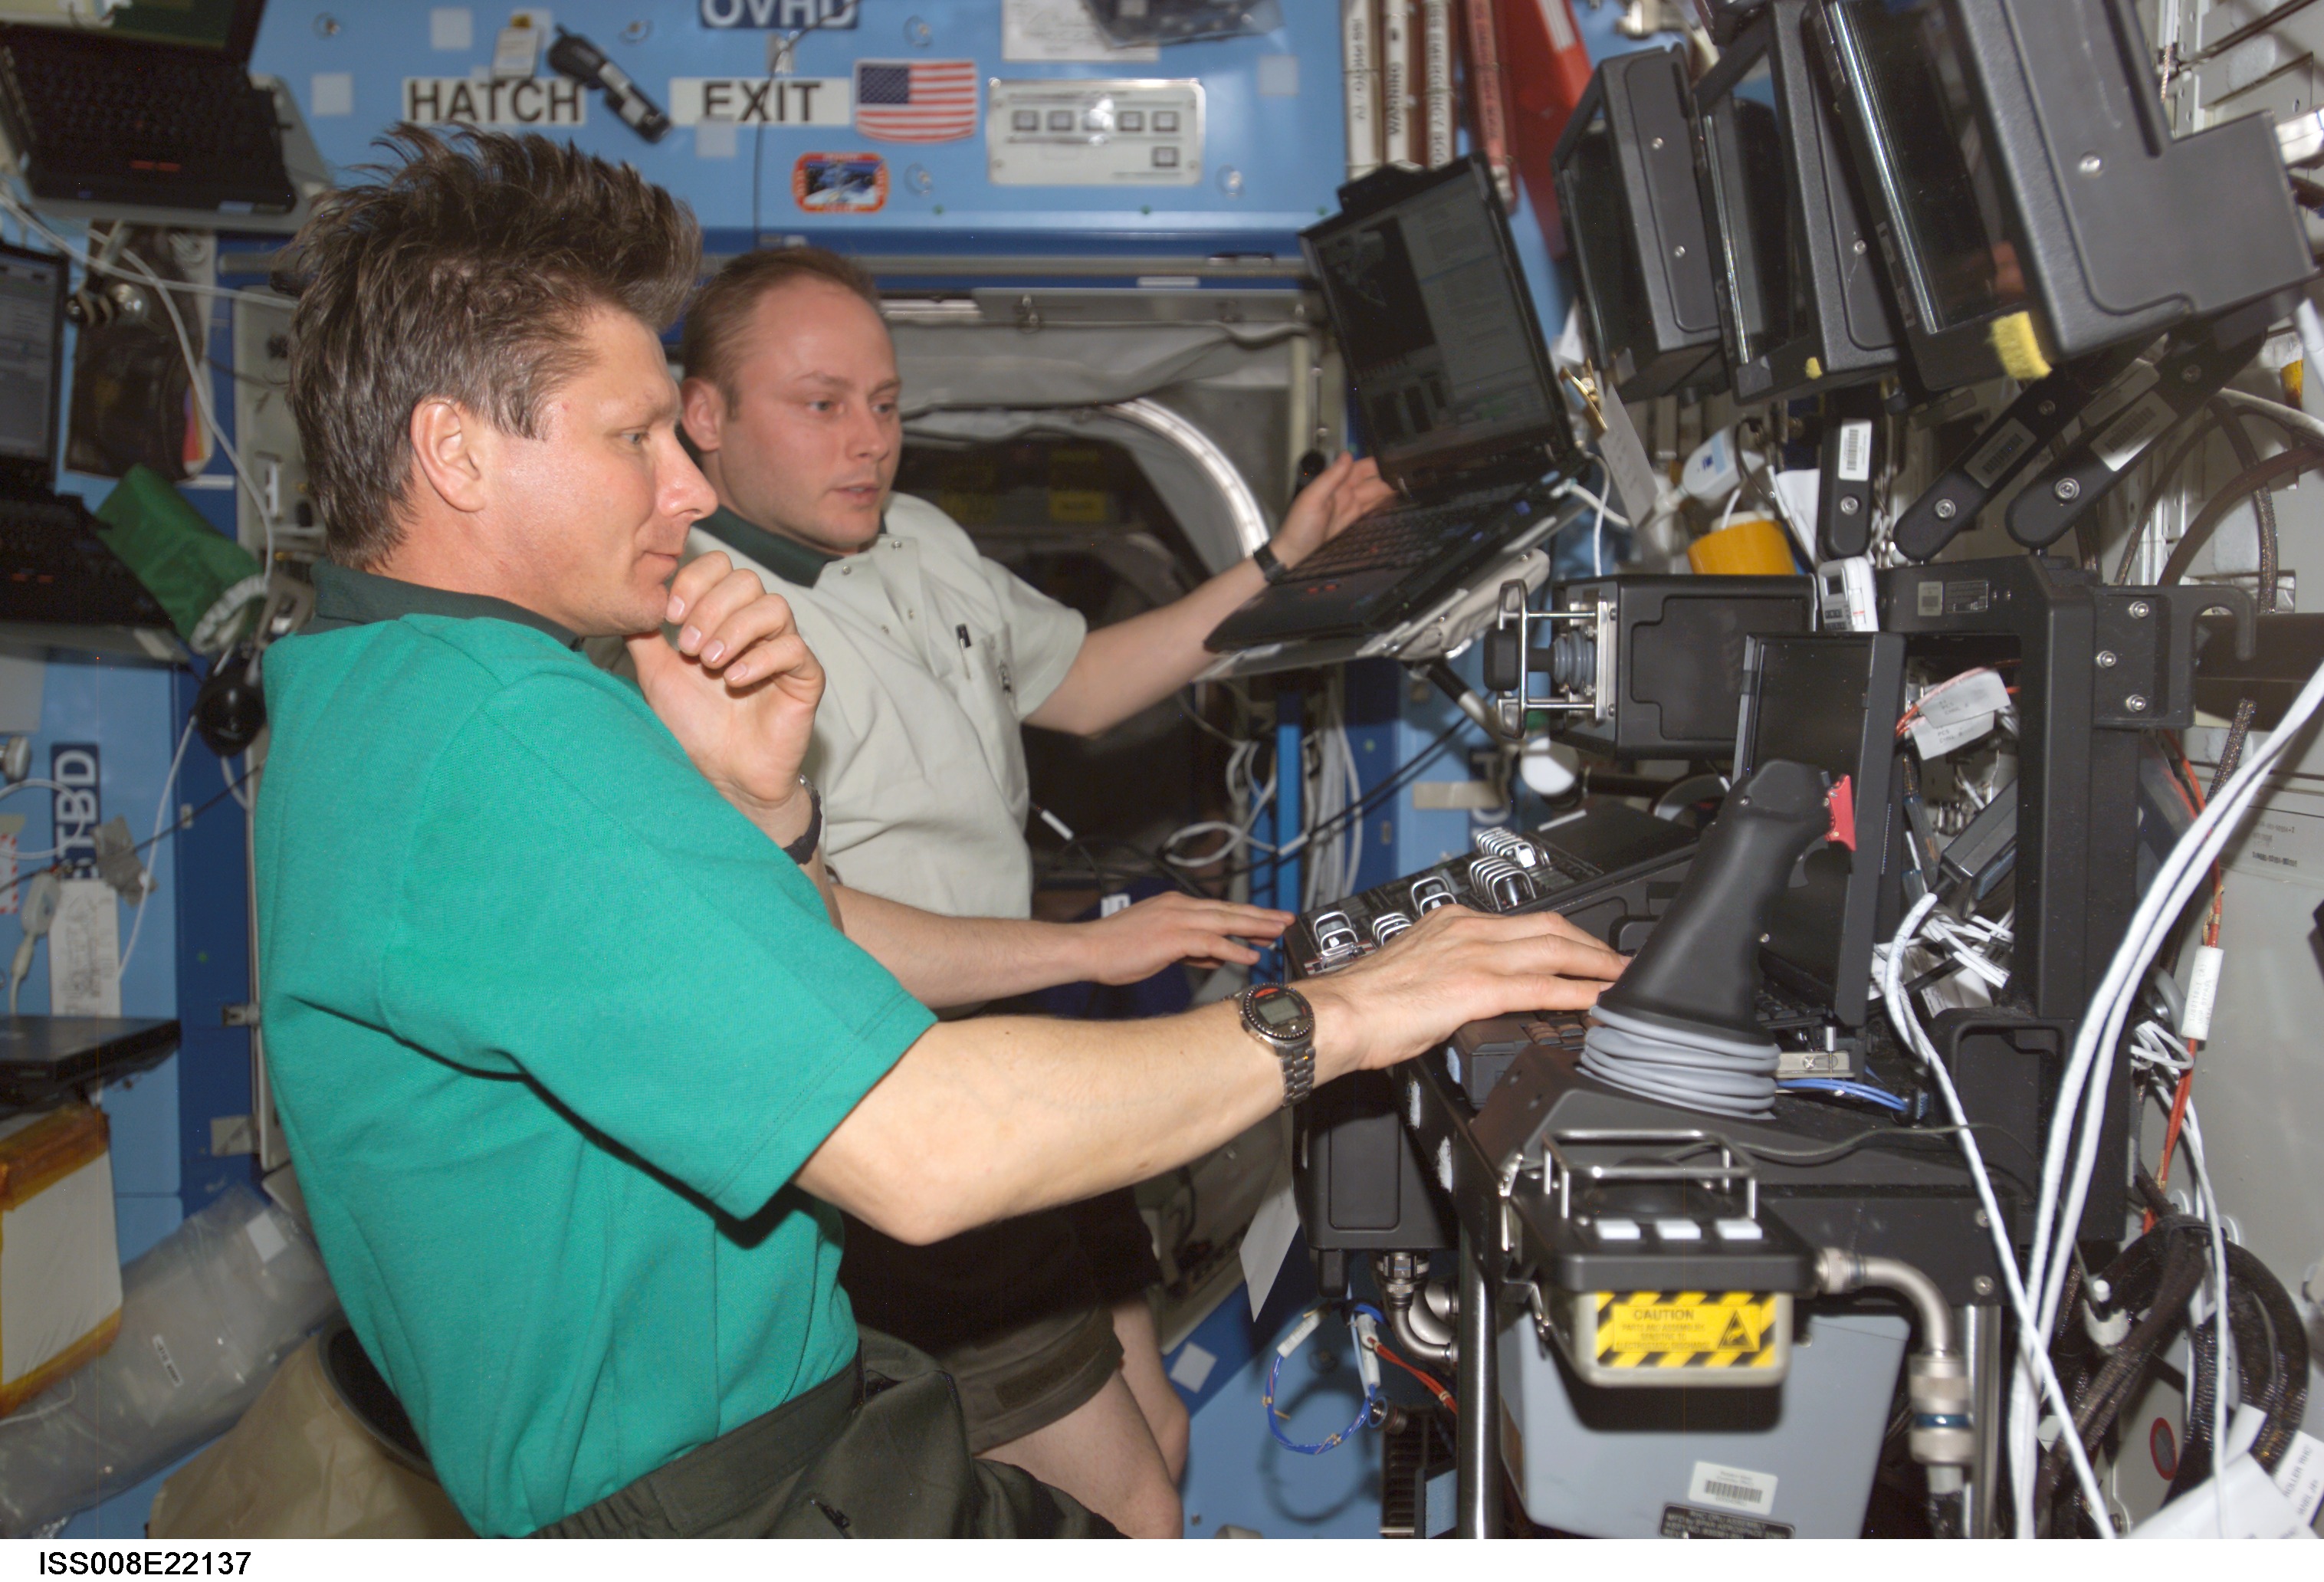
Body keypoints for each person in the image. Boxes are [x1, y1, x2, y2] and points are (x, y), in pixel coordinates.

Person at [256, 128, 1626, 1540]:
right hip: (723, 1502)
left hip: (761, 1432)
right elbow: (924, 1151)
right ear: (455, 454)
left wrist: (765, 816)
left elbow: (740, 985)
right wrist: (1349, 1014)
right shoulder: (506, 732)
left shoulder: (373, 686)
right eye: (634, 438)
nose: (682, 486)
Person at [673, 248, 1394, 1534]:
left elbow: (1086, 682)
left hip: (1021, 1062)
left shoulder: (919, 540)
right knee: (1128, 1509)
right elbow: (799, 940)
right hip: (899, 1105)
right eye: (820, 404)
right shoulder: (699, 637)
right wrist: (1083, 952)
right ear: (704, 417)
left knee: (1160, 1429)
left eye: (886, 404)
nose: (868, 442)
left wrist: (1280, 567)